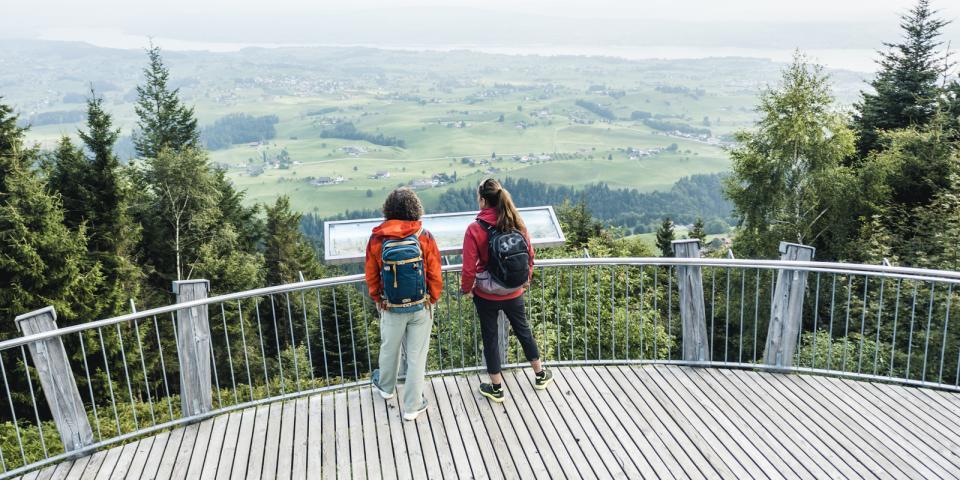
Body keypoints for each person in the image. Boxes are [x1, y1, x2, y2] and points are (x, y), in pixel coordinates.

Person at [461, 178, 552, 402]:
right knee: (523, 331)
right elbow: (529, 255)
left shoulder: (475, 228)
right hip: (514, 291)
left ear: (482, 200)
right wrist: (525, 279)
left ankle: (496, 388)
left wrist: (467, 290)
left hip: (486, 294)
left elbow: (468, 267)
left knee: (490, 339)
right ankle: (540, 374)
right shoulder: (516, 222)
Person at [365, 188, 442, 420]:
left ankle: (386, 388)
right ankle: (412, 406)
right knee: (417, 356)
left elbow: (371, 274)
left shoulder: (378, 238)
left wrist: (379, 298)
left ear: (388, 209)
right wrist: (432, 298)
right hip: (421, 305)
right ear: (414, 208)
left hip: (392, 306)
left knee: (389, 347)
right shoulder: (424, 235)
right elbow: (435, 273)